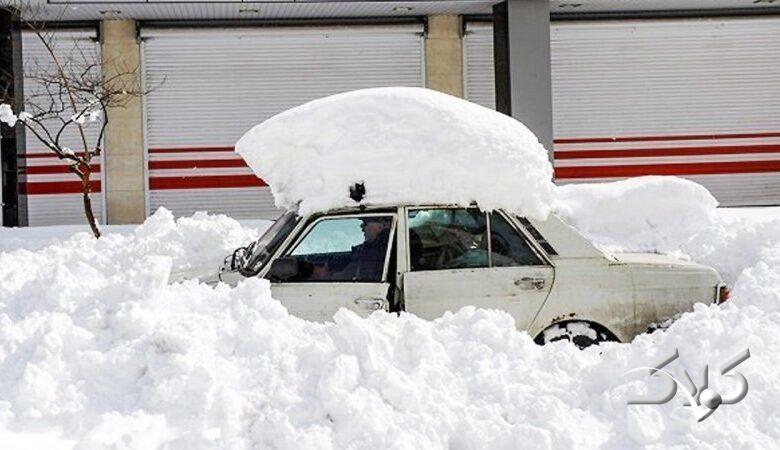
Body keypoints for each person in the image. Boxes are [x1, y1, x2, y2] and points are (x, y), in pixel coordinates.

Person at [332, 217, 391, 281]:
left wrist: (328, 276)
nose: (362, 228)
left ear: (381, 226)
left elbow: (350, 273)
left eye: (365, 223)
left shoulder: (377, 250)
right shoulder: (376, 247)